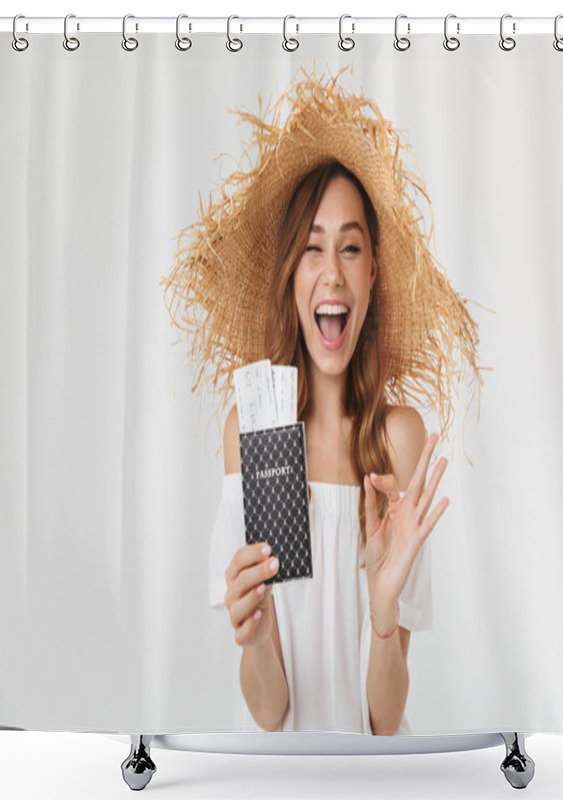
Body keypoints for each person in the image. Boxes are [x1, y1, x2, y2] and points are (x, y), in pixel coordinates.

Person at [161, 65, 484, 735]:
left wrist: (385, 609)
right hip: (272, 779)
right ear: (291, 277)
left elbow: (385, 716)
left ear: (371, 272)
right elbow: (269, 710)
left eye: (349, 247)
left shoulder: (398, 438)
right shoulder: (255, 427)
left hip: (369, 780)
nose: (331, 271)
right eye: (311, 249)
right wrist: (255, 635)